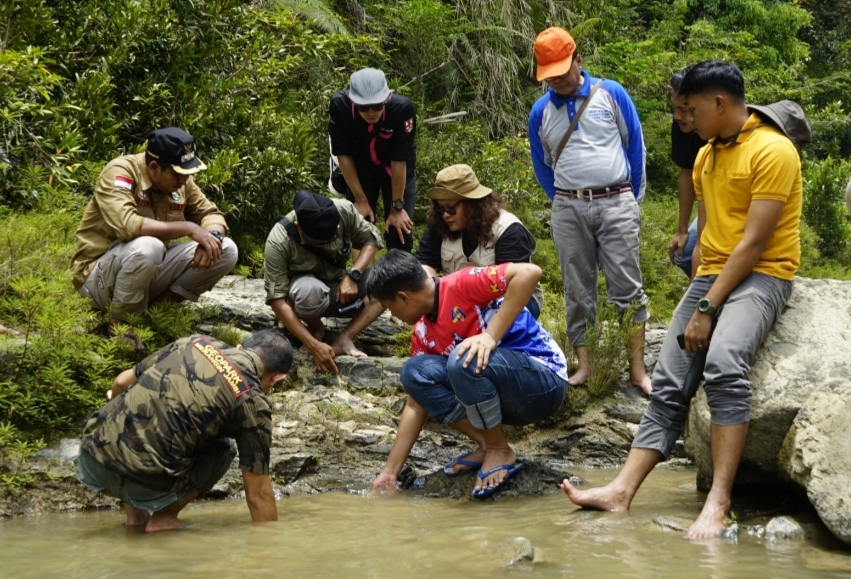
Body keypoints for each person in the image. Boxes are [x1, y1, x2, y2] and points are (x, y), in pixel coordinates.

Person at [561, 60, 802, 540]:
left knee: (725, 363)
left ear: (719, 102)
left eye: (690, 109)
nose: (685, 120)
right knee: (669, 380)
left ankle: (719, 499)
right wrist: (697, 295)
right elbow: (710, 236)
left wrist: (708, 309)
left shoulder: (774, 150)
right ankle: (622, 490)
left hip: (763, 276)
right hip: (713, 275)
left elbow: (753, 244)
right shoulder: (708, 155)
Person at [368, 250, 568, 498]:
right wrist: (390, 472)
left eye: (390, 308)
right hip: (504, 399)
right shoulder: (422, 331)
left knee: (462, 359)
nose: (392, 316)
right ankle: (488, 444)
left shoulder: (462, 283)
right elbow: (415, 404)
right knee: (414, 373)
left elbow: (529, 272)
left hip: (544, 382)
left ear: (403, 297)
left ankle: (498, 449)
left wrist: (489, 336)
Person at [528, 27, 651, 393]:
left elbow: (635, 148)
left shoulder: (610, 93)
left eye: (562, 71)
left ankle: (638, 370)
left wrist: (631, 199)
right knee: (577, 290)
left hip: (616, 201)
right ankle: (585, 365)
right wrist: (563, 198)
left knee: (627, 289)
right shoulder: (540, 111)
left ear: (579, 60)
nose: (558, 80)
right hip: (569, 207)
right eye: (549, 75)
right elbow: (542, 164)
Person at [74, 328, 294, 532]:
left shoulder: (195, 342)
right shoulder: (253, 401)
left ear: (239, 347)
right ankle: (164, 518)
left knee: (134, 407)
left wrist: (116, 399)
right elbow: (258, 495)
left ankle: (135, 518)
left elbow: (121, 382)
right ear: (277, 378)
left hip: (92, 460)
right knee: (224, 448)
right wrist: (269, 550)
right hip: (144, 485)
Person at [71, 128, 237, 337]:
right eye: (178, 174)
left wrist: (212, 238)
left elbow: (210, 213)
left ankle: (156, 313)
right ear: (153, 167)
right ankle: (120, 324)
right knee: (149, 245)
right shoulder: (120, 172)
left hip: (145, 271)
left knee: (226, 249)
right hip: (97, 280)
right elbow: (127, 225)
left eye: (187, 174)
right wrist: (189, 228)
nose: (184, 180)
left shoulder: (181, 181)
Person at [264, 190, 386, 375]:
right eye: (317, 243)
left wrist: (353, 275)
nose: (324, 245)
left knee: (386, 282)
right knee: (307, 291)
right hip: (306, 297)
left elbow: (372, 239)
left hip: (342, 286)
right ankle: (315, 330)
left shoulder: (344, 210)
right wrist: (314, 347)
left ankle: (345, 338)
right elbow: (277, 300)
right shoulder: (278, 240)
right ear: (298, 227)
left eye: (329, 241)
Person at [415, 164, 544, 318]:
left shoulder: (508, 229)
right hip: (458, 299)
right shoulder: (439, 223)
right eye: (440, 208)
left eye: (450, 208)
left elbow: (512, 285)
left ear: (471, 203)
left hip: (514, 298)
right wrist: (434, 294)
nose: (445, 215)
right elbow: (425, 264)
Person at [329, 68, 417, 252]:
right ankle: (361, 278)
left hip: (393, 169)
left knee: (399, 230)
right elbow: (343, 154)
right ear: (353, 101)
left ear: (387, 97)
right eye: (363, 106)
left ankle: (399, 277)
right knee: (361, 227)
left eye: (377, 105)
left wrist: (397, 208)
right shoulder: (339, 106)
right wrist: (360, 200)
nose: (371, 112)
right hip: (360, 169)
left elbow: (399, 161)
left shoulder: (402, 110)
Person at [667, 67, 708, 279]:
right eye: (675, 108)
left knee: (705, 255)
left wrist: (701, 246)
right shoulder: (682, 126)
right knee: (684, 255)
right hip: (710, 201)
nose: (677, 116)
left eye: (684, 108)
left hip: (737, 207)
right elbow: (687, 171)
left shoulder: (725, 131)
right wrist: (682, 230)